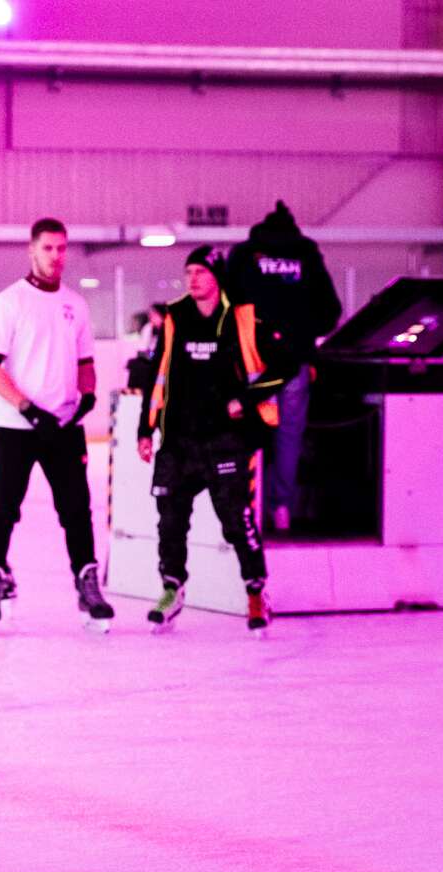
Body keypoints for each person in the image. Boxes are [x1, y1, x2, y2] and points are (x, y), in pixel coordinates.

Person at [138, 246, 289, 636]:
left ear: (216, 277)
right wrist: (145, 428)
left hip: (225, 441)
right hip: (178, 442)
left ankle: (256, 592)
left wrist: (247, 400)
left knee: (236, 523)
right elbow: (158, 374)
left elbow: (283, 368)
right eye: (188, 272)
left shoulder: (242, 317)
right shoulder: (176, 316)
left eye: (200, 272)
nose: (192, 279)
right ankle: (172, 589)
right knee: (170, 521)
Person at [0, 217, 114, 634]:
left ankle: (87, 583)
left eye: (62, 248)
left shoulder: (76, 304)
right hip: (17, 428)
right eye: (48, 248)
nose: (56, 256)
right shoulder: (8, 303)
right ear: (32, 250)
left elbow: (85, 362)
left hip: (63, 426)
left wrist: (87, 395)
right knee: (4, 508)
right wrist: (28, 408)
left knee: (76, 510)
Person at [226, 200, 341, 534]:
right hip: (294, 361)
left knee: (251, 432)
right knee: (289, 435)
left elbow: (226, 305)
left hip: (253, 361)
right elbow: (330, 310)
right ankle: (281, 507)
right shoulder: (307, 254)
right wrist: (302, 333)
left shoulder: (244, 254)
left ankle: (249, 507)